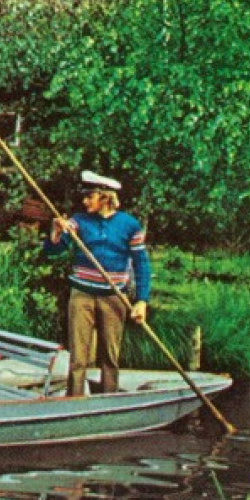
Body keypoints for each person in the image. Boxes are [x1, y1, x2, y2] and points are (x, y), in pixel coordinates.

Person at [43, 170, 151, 398]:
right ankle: (73, 400)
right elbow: (54, 251)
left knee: (110, 355)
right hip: (81, 294)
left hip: (114, 297)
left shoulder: (130, 225)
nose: (84, 201)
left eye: (89, 197)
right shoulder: (78, 221)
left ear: (104, 197)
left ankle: (108, 399)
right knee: (78, 356)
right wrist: (55, 233)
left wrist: (141, 300)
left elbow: (141, 264)